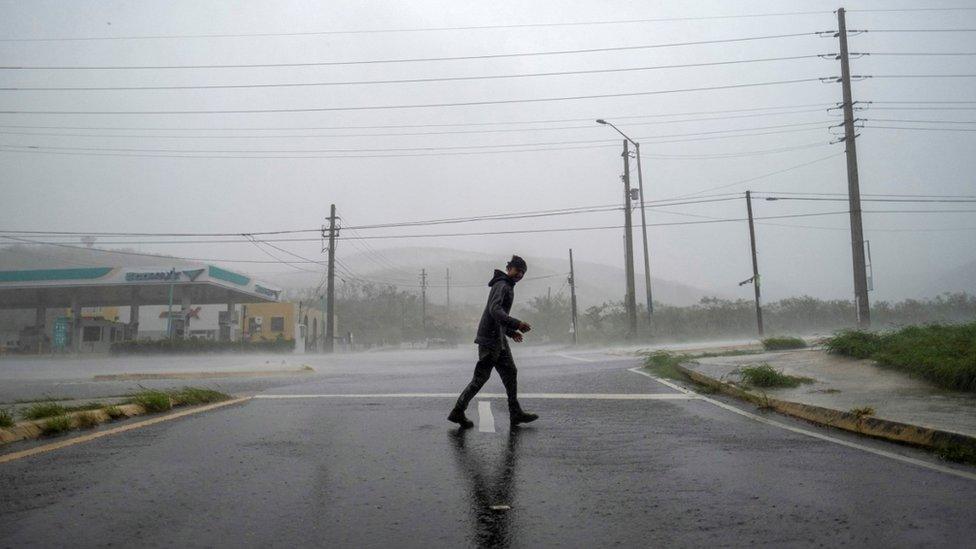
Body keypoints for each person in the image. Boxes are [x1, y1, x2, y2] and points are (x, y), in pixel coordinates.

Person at [449, 255, 539, 428]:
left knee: (511, 373)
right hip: (490, 340)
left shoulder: (507, 285)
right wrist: (517, 323)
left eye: (523, 272)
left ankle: (515, 413)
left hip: (498, 339)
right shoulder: (502, 285)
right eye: (518, 270)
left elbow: (498, 318)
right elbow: (495, 310)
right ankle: (458, 411)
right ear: (509, 268)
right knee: (480, 378)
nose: (520, 274)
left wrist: (511, 332)